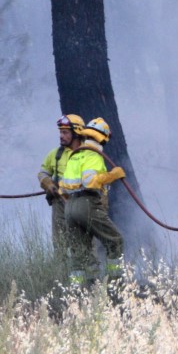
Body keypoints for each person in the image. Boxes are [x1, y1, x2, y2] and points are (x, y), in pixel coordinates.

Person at [58, 116, 125, 284]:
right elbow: (89, 181)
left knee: (80, 252)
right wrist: (113, 175)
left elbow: (62, 188)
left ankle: (81, 291)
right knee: (115, 241)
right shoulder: (93, 154)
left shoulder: (74, 155)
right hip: (86, 204)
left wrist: (73, 204)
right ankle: (115, 284)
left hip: (69, 207)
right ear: (103, 138)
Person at [38, 114, 85, 266]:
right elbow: (43, 172)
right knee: (60, 244)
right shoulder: (55, 155)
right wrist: (48, 183)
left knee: (83, 245)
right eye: (60, 132)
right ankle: (63, 280)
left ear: (76, 133)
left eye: (65, 132)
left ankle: (89, 284)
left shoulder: (88, 155)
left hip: (82, 205)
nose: (61, 136)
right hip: (59, 204)